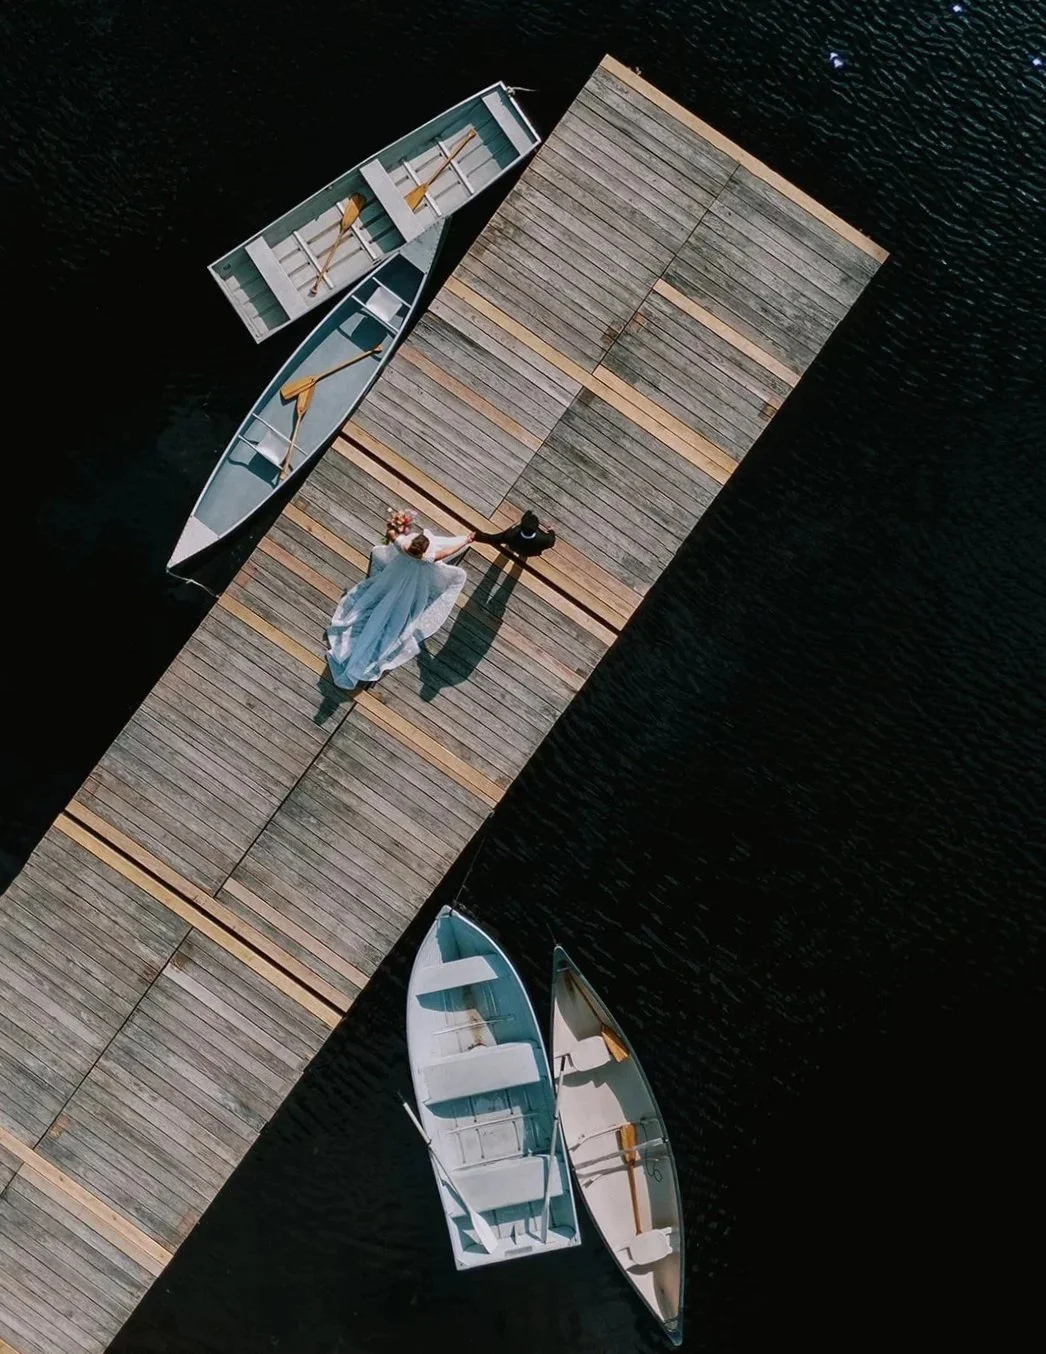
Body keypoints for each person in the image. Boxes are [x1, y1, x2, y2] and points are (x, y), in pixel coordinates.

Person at [324, 520, 475, 690]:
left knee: (377, 600)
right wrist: (466, 540)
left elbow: (391, 534)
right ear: (424, 550)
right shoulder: (428, 558)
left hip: (391, 580)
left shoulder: (402, 547)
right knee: (401, 613)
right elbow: (449, 551)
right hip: (410, 587)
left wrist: (395, 525)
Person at [474, 509, 555, 558]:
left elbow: (492, 539)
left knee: (518, 549)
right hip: (530, 552)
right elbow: (551, 542)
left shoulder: (510, 535)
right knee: (526, 553)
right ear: (536, 527)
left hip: (515, 548)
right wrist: (551, 531)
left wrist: (476, 536)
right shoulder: (546, 539)